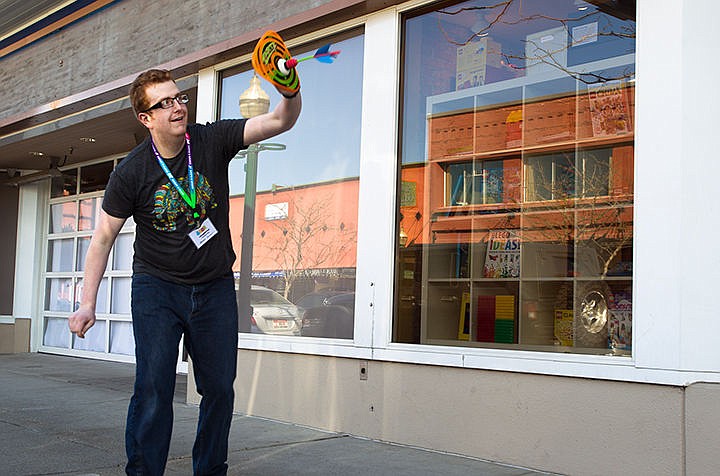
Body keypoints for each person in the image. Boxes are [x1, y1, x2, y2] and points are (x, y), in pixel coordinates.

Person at [68, 68, 301, 475]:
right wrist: (87, 303)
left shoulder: (210, 140)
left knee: (218, 390)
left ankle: (210, 469)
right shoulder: (133, 171)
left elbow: (280, 119)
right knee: (154, 388)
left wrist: (290, 91)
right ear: (146, 118)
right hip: (157, 287)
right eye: (165, 103)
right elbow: (103, 236)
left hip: (212, 288)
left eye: (180, 98)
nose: (177, 107)